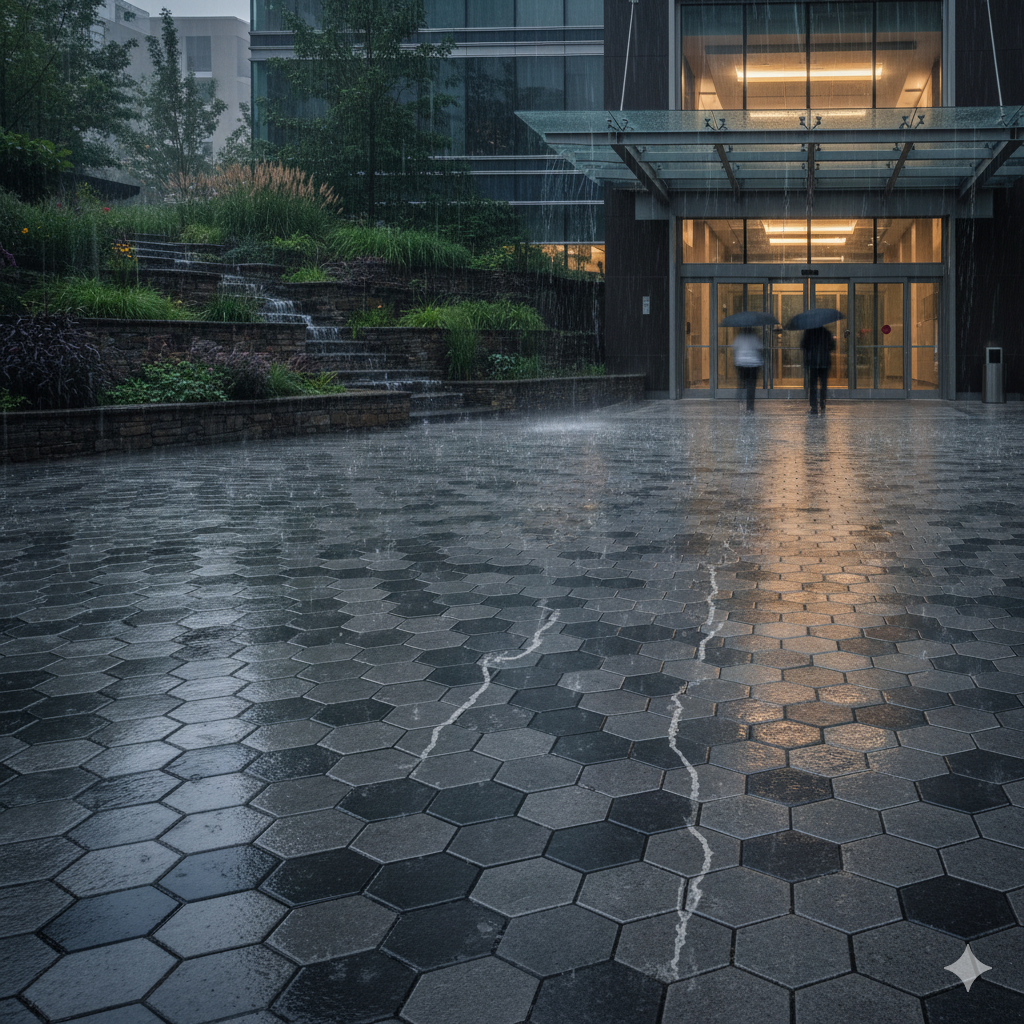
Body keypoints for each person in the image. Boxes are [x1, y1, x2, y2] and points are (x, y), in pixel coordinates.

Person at [801, 325, 836, 415]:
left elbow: (803, 345)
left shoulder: (809, 332)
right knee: (823, 384)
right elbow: (832, 347)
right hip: (824, 363)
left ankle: (814, 406)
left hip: (813, 363)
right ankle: (822, 403)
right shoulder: (827, 333)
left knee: (813, 386)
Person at [732, 330, 763, 411]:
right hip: (753, 364)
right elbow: (760, 348)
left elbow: (734, 349)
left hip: (741, 363)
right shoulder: (755, 337)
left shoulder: (739, 336)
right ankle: (750, 405)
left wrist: (735, 361)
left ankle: (740, 397)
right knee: (751, 386)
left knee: (742, 381)